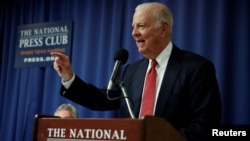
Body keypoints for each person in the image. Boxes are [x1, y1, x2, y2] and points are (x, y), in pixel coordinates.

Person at [51, 2, 221, 140]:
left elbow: (204, 125)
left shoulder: (196, 68)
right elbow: (103, 99)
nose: (134, 33)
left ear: (163, 29)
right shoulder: (131, 71)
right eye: (133, 27)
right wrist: (68, 76)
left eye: (141, 26)